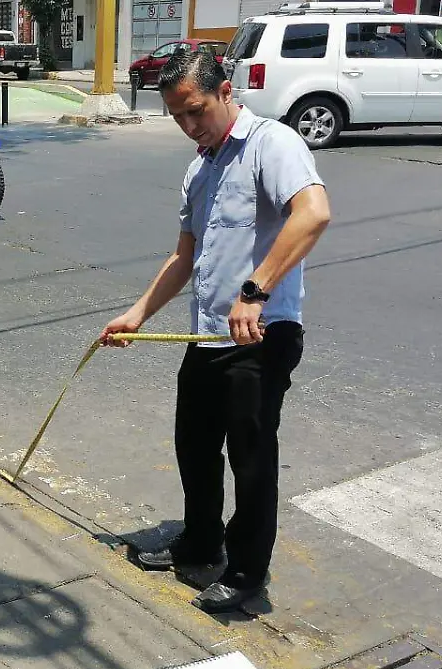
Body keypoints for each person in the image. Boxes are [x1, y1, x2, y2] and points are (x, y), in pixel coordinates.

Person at [99, 50, 331, 613]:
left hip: (261, 336)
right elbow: (185, 258)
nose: (189, 126)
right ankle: (200, 543)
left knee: (250, 459)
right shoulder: (200, 166)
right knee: (194, 447)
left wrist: (254, 292)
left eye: (196, 111)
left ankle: (248, 572)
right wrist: (138, 313)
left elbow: (314, 213)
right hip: (206, 337)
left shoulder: (270, 145)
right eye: (177, 116)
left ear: (226, 92)